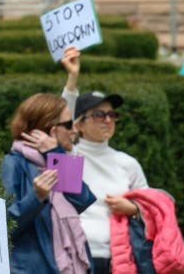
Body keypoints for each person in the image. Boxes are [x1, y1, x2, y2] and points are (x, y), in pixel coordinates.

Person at [60, 46, 148, 274]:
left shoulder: (127, 163)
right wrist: (72, 79)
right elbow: (61, 126)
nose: (107, 120)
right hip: (79, 256)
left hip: (123, 259)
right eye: (99, 114)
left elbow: (150, 209)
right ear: (79, 124)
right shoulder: (72, 158)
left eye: (112, 114)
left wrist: (132, 208)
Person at [1, 92, 96, 274]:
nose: (74, 131)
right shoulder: (13, 164)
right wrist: (36, 198)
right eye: (68, 124)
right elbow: (4, 226)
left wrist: (55, 153)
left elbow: (83, 200)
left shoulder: (57, 160)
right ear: (50, 129)